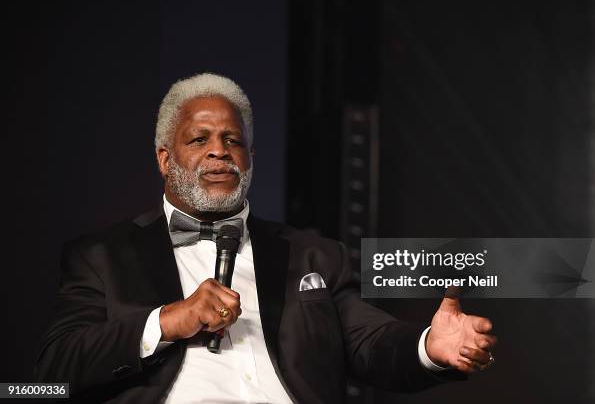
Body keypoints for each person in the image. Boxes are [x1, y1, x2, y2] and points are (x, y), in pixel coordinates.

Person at [35, 73, 497, 403]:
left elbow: (369, 341)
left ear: (251, 157)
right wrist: (168, 321)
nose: (219, 150)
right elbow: (55, 370)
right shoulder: (101, 256)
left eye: (232, 140)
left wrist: (427, 347)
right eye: (199, 140)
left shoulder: (314, 254)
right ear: (163, 158)